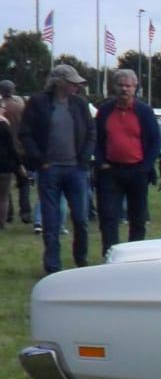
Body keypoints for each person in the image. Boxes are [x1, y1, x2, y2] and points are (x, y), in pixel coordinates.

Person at [20, 65, 95, 272]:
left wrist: (83, 160)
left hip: (76, 170)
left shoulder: (80, 104)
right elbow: (25, 134)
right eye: (72, 83)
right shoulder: (38, 103)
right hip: (49, 170)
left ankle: (81, 260)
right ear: (59, 82)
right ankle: (52, 266)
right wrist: (40, 159)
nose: (76, 87)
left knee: (81, 219)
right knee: (51, 222)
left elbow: (91, 132)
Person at [93, 68, 161, 254]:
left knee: (137, 218)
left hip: (137, 171)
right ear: (114, 87)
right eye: (121, 85)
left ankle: (134, 255)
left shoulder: (144, 112)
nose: (124, 89)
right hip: (110, 171)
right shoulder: (105, 111)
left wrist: (145, 167)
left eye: (128, 86)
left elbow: (155, 141)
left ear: (135, 88)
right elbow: (96, 140)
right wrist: (101, 162)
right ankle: (109, 254)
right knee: (108, 217)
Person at [0, 79, 29, 225]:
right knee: (23, 182)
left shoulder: (2, 107)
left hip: (5, 149)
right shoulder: (22, 103)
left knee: (5, 187)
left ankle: (8, 214)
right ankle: (25, 211)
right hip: (21, 147)